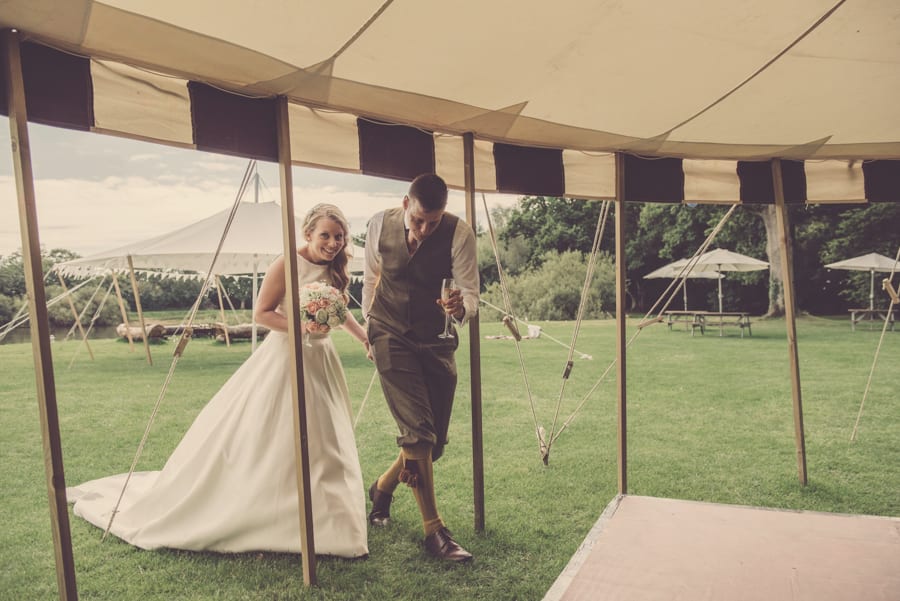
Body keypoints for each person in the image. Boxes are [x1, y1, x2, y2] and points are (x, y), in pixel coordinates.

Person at [68, 204, 370, 558]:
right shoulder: (287, 262)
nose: (333, 243)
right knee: (279, 433)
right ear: (308, 233)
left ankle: (331, 521)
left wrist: (364, 338)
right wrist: (301, 327)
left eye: (339, 236)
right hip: (287, 357)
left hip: (321, 359)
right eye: (326, 235)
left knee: (324, 437)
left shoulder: (335, 267)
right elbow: (262, 314)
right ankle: (270, 510)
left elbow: (339, 311)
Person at [362, 173, 479, 562]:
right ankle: (435, 532)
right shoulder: (379, 224)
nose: (425, 229)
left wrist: (461, 307)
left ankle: (381, 488)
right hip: (390, 332)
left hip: (437, 340)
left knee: (432, 445)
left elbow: (471, 293)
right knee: (418, 433)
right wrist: (369, 332)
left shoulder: (460, 234)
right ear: (405, 204)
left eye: (433, 221)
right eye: (417, 221)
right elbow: (371, 280)